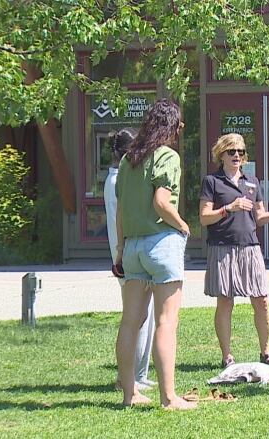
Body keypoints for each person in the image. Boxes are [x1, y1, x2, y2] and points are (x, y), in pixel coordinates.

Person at [114, 99, 196, 410]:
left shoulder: (128, 159)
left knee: (130, 323)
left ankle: (129, 394)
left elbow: (121, 210)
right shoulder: (167, 156)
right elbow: (162, 202)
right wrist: (184, 226)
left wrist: (121, 250)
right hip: (161, 243)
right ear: (172, 126)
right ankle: (169, 397)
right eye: (180, 124)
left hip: (133, 247)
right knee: (166, 323)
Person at [199, 133, 269, 371]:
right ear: (221, 154)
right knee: (225, 301)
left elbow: (259, 218)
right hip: (222, 247)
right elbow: (204, 218)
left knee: (262, 300)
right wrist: (228, 208)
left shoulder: (252, 182)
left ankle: (266, 352)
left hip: (250, 247)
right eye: (232, 151)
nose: (237, 155)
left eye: (241, 152)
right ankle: (227, 357)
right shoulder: (211, 181)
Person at [104, 127, 156, 392]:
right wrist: (121, 258)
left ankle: (140, 373)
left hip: (130, 254)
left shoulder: (120, 178)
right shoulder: (117, 182)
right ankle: (128, 377)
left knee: (146, 315)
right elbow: (120, 223)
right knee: (136, 317)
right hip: (125, 257)